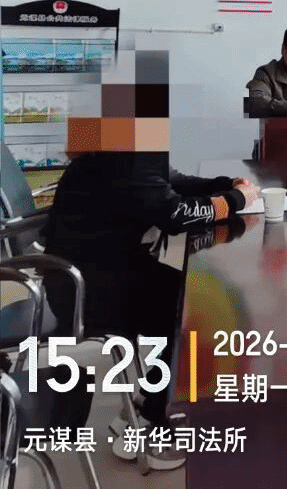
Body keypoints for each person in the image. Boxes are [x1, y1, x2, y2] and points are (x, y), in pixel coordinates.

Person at [44, 144, 260, 469]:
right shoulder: (123, 152)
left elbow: (170, 182)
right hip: (85, 290)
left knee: (173, 289)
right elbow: (173, 215)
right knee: (177, 304)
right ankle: (154, 426)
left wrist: (225, 185)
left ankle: (147, 404)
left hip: (90, 274)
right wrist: (234, 200)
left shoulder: (119, 142)